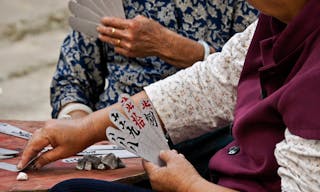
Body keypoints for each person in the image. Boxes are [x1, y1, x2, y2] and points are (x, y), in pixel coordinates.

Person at [19, 0, 320, 191]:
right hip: (145, 135)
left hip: (207, 155)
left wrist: (188, 186)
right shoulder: (274, 17)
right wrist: (84, 125)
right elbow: (214, 81)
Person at [51, 0, 258, 119]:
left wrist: (174, 48)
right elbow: (72, 78)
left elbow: (258, 75)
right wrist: (79, 123)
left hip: (208, 130)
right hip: (116, 128)